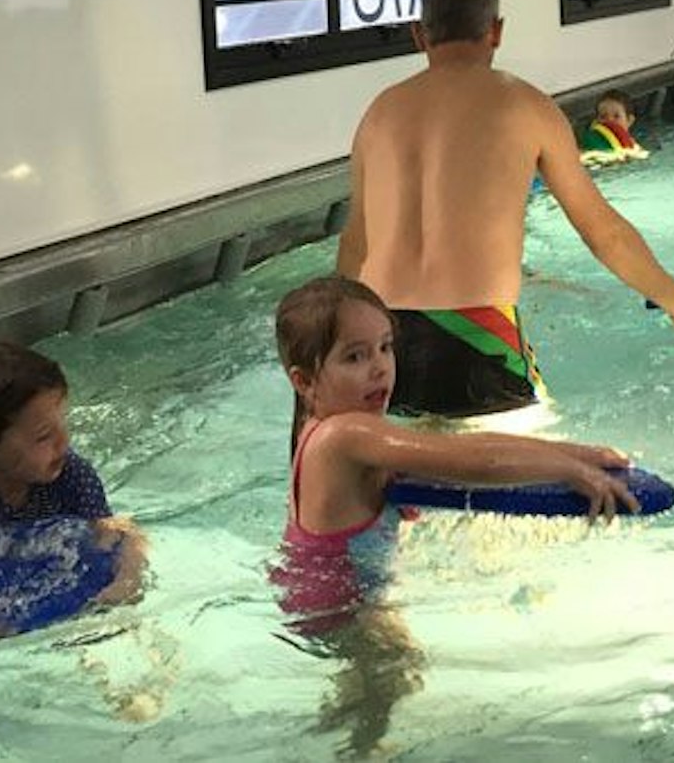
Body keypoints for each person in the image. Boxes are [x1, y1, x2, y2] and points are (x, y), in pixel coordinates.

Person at [271, 276, 638, 753]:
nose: (380, 368)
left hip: (326, 594)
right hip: (340, 608)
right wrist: (567, 470)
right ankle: (358, 749)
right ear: (305, 381)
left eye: (385, 348)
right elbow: (469, 461)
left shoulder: (326, 428)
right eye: (355, 357)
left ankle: (348, 732)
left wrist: (574, 452)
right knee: (399, 672)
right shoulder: (346, 436)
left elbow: (467, 446)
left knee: (379, 682)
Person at [338, 0, 674, 418]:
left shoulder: (378, 113)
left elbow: (355, 243)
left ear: (419, 35)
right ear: (495, 31)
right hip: (479, 330)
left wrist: (340, 345)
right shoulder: (526, 105)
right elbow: (602, 232)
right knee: (536, 471)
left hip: (382, 338)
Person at [0, 341, 147, 631]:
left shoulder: (71, 473)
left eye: (63, 424)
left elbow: (117, 532)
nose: (64, 442)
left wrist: (127, 577)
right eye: (44, 436)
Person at [580, 89, 648, 165]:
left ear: (629, 120)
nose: (609, 120)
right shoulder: (591, 140)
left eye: (616, 116)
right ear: (597, 121)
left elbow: (642, 155)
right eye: (603, 116)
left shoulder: (632, 143)